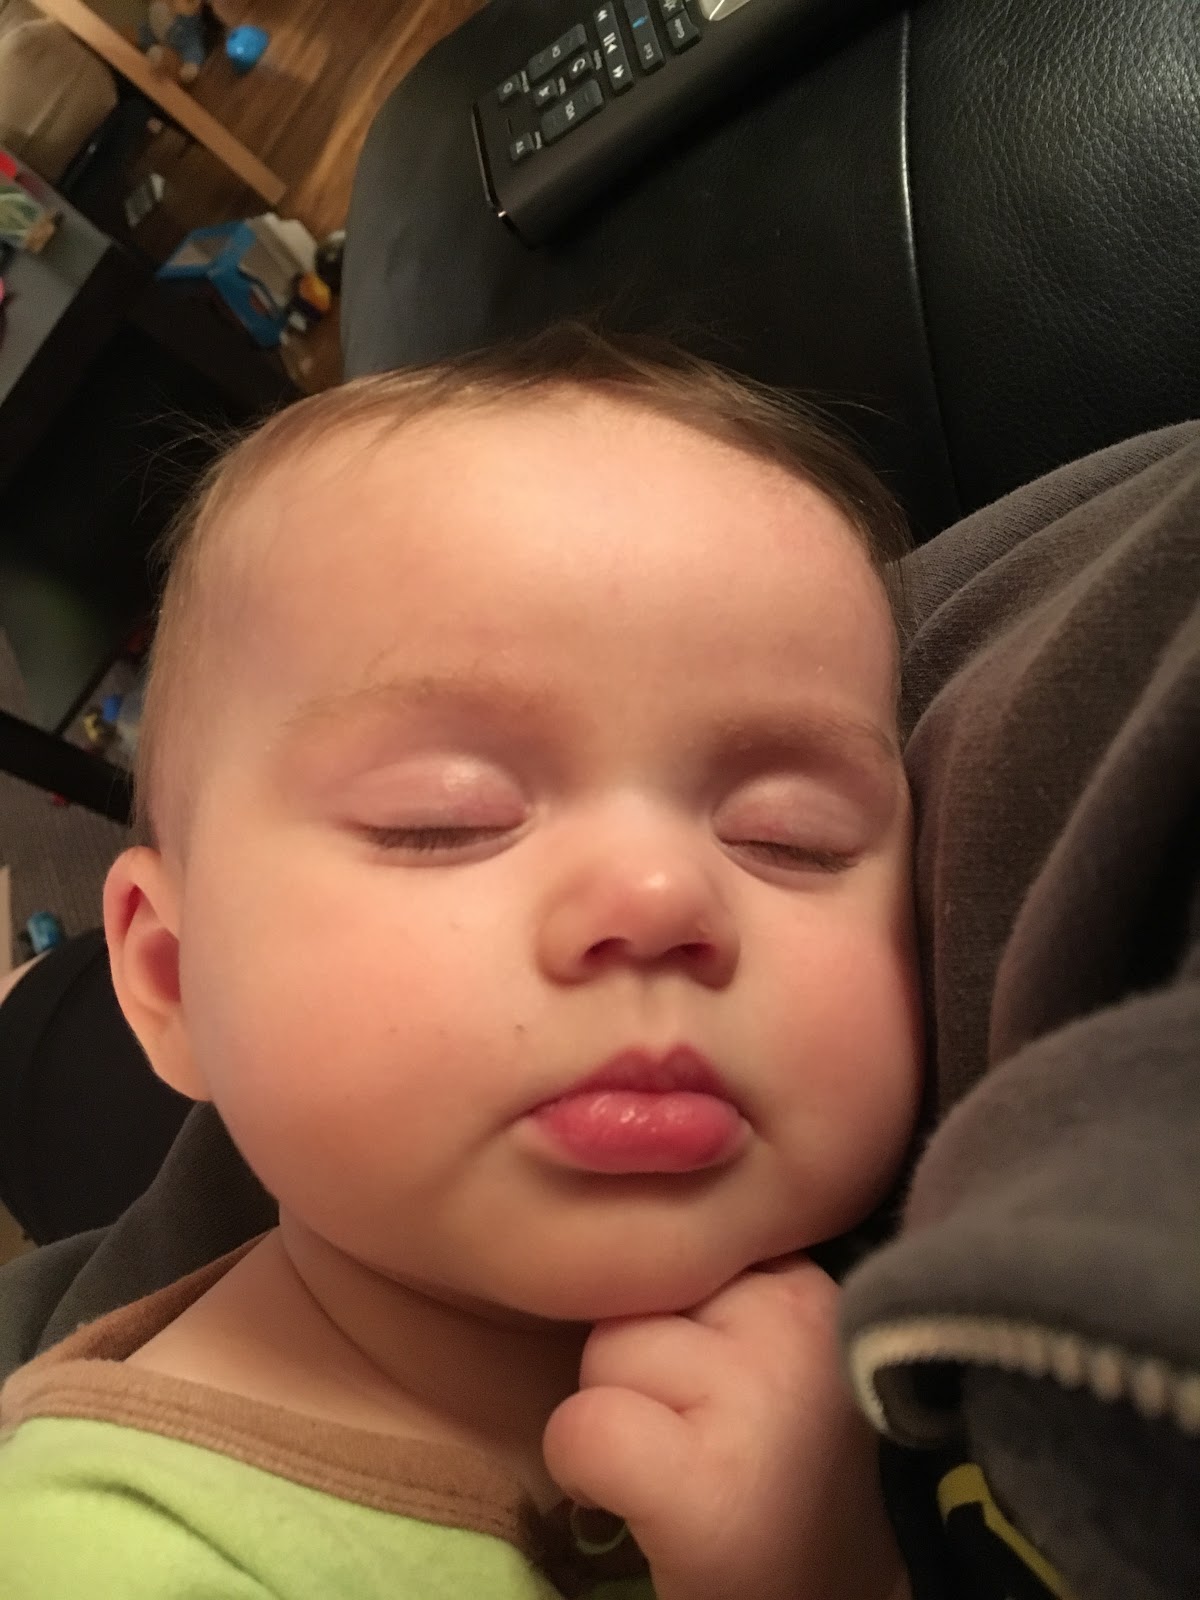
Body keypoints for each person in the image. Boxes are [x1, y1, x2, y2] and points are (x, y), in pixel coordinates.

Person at [0, 326, 924, 1600]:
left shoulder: (962, 1285)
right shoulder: (109, 1557)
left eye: (790, 838)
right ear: (168, 977)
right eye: (442, 819)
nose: (661, 897)